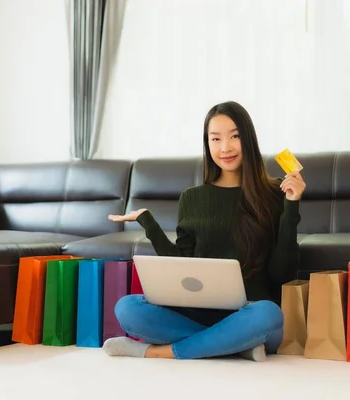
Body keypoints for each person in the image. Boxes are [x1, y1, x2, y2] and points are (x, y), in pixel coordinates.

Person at [103, 100, 306, 361]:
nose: (225, 148)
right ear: (207, 144)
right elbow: (181, 265)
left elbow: (283, 274)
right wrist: (149, 223)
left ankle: (159, 352)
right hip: (198, 311)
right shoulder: (192, 198)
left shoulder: (274, 192)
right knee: (127, 308)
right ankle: (236, 345)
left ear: (249, 139)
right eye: (215, 139)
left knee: (270, 314)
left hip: (252, 313)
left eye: (234, 136)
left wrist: (291, 207)